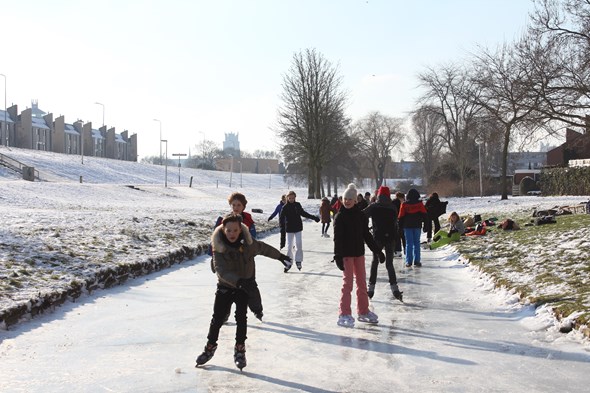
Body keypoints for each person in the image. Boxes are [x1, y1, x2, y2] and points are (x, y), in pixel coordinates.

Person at [196, 214, 292, 370]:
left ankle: (240, 349)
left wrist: (280, 256)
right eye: (229, 230)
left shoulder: (248, 243)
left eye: (235, 230)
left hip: (244, 287)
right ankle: (209, 347)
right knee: (217, 319)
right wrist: (238, 281)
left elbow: (263, 248)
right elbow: (221, 271)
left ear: (240, 229)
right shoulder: (218, 246)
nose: (232, 233)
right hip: (225, 288)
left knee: (241, 319)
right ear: (223, 229)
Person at [333, 184, 385, 327]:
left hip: (359, 254)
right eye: (345, 199)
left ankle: (363, 311)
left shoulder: (361, 216)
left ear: (355, 200)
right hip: (346, 255)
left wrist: (378, 251)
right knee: (347, 284)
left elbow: (367, 236)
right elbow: (337, 239)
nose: (347, 201)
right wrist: (338, 256)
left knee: (362, 284)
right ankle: (344, 313)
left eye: (350, 199)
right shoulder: (340, 217)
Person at [209, 193, 261, 320]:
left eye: (239, 205)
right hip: (227, 260)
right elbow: (215, 240)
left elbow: (253, 240)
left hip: (245, 262)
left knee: (250, 286)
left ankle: (257, 309)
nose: (236, 207)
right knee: (226, 286)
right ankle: (224, 314)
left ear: (244, 206)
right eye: (234, 205)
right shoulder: (223, 221)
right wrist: (213, 257)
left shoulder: (248, 221)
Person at [362, 186, 403, 302]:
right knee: (389, 264)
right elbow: (396, 223)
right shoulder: (393, 207)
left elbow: (361, 215)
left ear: (379, 195)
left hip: (377, 238)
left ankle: (371, 289)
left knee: (375, 262)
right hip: (390, 238)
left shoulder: (374, 206)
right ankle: (395, 289)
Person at [279, 190, 320, 271]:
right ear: (287, 198)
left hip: (298, 228)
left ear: (295, 198)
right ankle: (288, 263)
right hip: (289, 229)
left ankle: (298, 260)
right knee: (290, 246)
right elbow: (281, 219)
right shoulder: (285, 207)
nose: (291, 199)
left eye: (293, 198)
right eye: (290, 198)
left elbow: (303, 213)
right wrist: (282, 229)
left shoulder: (297, 205)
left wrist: (314, 217)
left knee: (299, 244)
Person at [398, 188, 427, 268]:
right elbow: (425, 215)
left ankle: (408, 261)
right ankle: (417, 261)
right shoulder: (420, 204)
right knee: (417, 243)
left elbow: (401, 216)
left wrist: (400, 227)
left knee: (409, 243)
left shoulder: (404, 204)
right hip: (417, 225)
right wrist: (426, 225)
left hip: (407, 226)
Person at [392, 192, 406, 257]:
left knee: (398, 236)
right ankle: (403, 250)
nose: (404, 199)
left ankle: (398, 251)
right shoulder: (399, 203)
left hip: (396, 221)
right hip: (400, 221)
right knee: (401, 236)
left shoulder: (393, 202)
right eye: (403, 198)